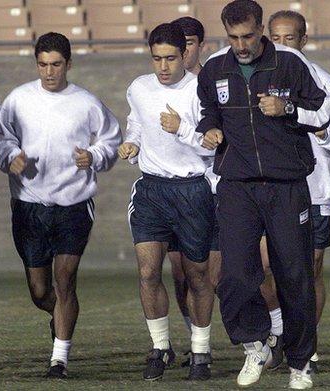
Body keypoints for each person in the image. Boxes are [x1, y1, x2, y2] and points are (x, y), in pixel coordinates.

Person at [197, 0, 330, 388]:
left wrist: (287, 107)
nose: (241, 45)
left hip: (287, 186)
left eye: (248, 36)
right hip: (237, 186)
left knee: (295, 275)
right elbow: (206, 111)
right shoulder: (215, 68)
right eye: (233, 37)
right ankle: (254, 344)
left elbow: (323, 113)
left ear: (260, 30)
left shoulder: (290, 64)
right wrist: (210, 129)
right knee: (235, 275)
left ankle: (300, 362)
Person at [0, 32, 121, 379]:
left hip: (73, 204)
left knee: (65, 280)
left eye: (56, 65)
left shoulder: (86, 102)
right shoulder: (18, 100)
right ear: (36, 64)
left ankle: (59, 359)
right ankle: (60, 316)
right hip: (29, 204)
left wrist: (92, 156)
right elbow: (1, 139)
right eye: (43, 65)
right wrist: (10, 158)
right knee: (40, 291)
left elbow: (112, 138)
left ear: (68, 64)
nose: (49, 72)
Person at [259, 10, 330, 373]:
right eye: (275, 38)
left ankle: (307, 346)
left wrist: (325, 133)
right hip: (268, 191)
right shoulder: (256, 79)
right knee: (263, 267)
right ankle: (279, 333)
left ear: (304, 41)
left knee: (309, 272)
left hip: (315, 191)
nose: (283, 45)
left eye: (290, 38)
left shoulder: (323, 81)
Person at [118, 23, 215, 381]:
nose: (163, 66)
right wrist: (132, 146)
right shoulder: (139, 88)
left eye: (170, 58)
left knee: (198, 275)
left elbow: (214, 144)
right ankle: (160, 347)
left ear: (184, 55)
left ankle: (201, 352)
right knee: (147, 272)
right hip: (151, 190)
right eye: (157, 58)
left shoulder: (201, 90)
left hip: (192, 189)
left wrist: (182, 129)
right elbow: (137, 125)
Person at [166, 18, 221, 372]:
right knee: (180, 275)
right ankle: (194, 343)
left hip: (211, 191)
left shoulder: (212, 84)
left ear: (200, 45)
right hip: (170, 194)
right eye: (178, 43)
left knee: (210, 277)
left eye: (189, 42)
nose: (184, 50)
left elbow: (216, 141)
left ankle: (264, 336)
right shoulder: (154, 87)